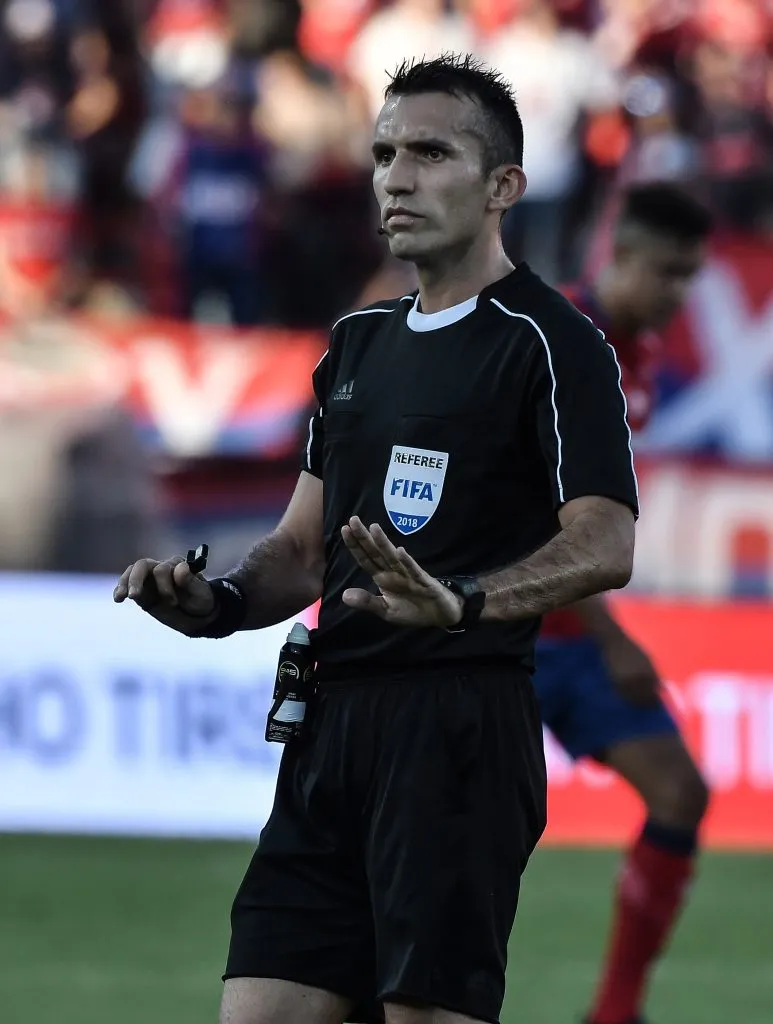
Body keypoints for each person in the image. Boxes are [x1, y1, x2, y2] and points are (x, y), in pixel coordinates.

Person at [114, 54, 639, 1024]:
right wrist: (216, 601)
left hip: (457, 728)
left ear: (501, 188)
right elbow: (298, 551)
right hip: (327, 728)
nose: (395, 176)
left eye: (430, 152)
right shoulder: (354, 343)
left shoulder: (549, 341)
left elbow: (605, 541)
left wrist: (464, 600)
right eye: (383, 153)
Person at [535, 183, 713, 1024]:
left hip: (570, 629)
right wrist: (614, 640)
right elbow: (538, 509)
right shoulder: (563, 341)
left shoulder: (638, 356)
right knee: (449, 835)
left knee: (679, 792)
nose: (679, 294)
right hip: (500, 624)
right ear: (622, 256)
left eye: (691, 277)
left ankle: (615, 1011)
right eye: (668, 273)